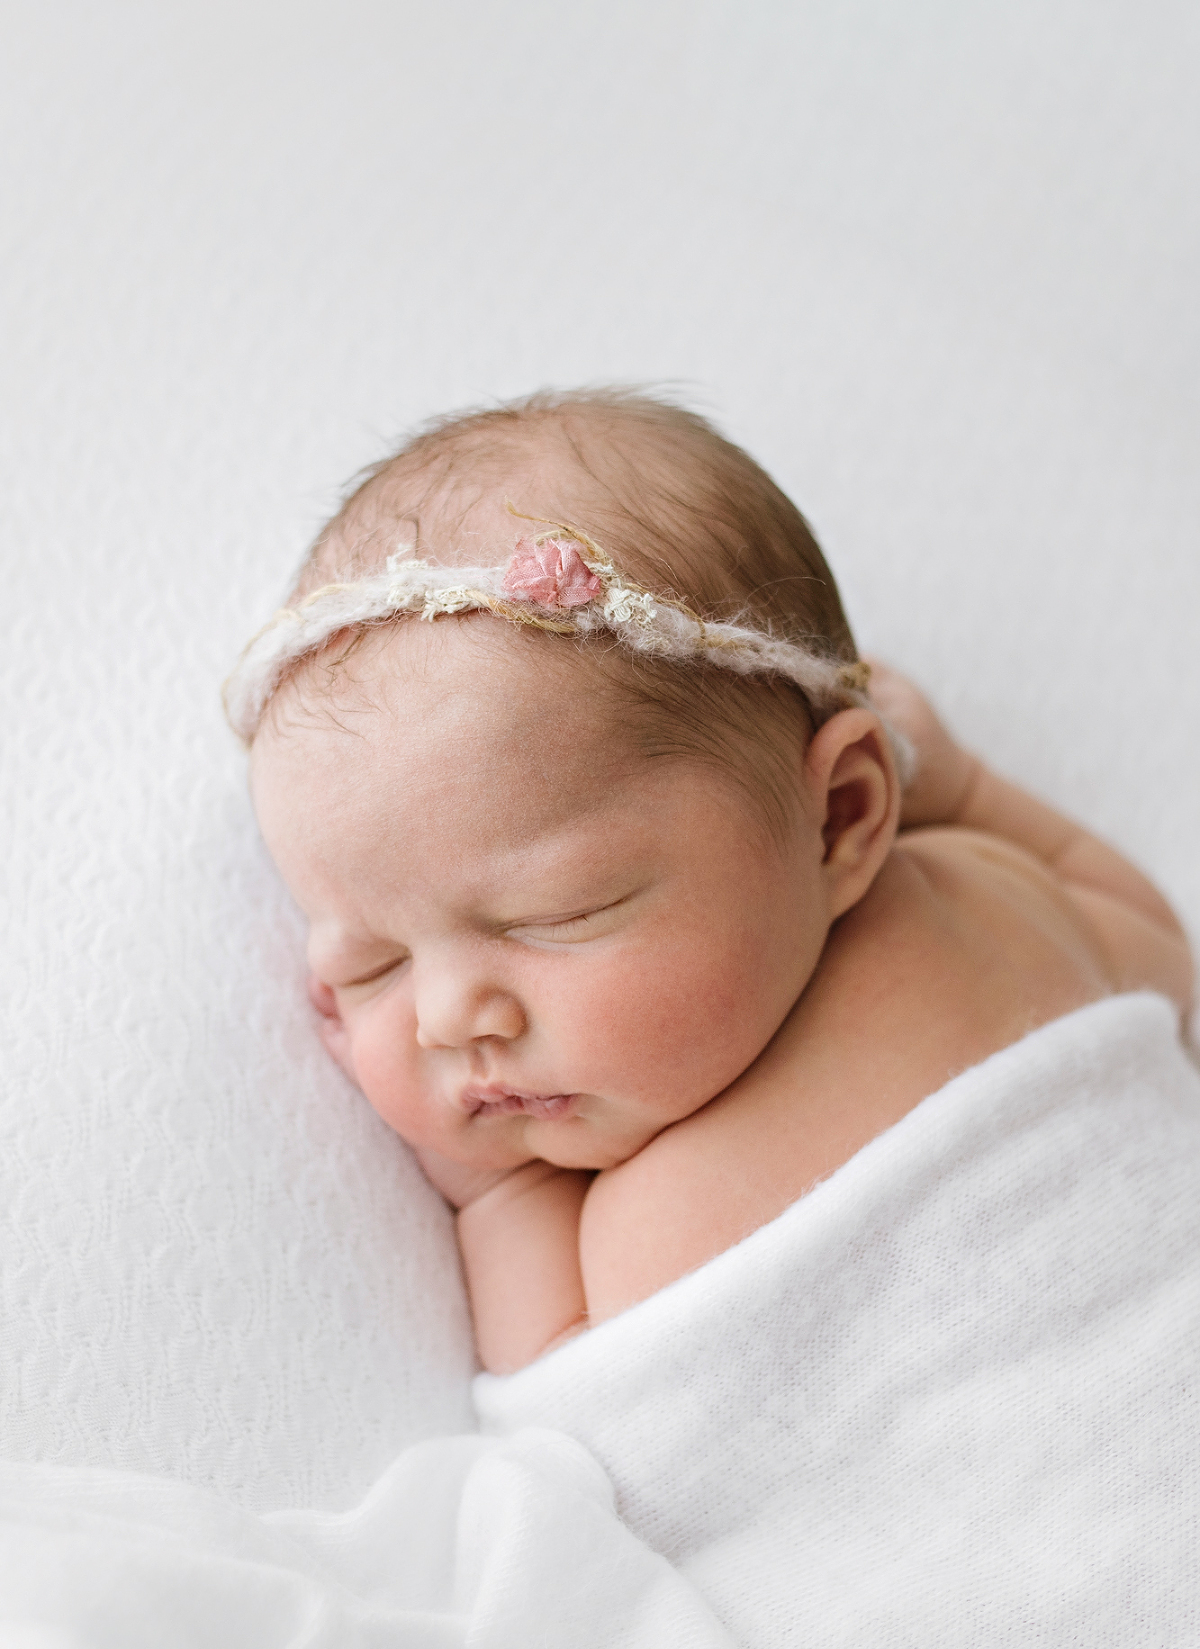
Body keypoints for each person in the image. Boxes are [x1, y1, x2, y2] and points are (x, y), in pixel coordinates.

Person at [228, 390, 1193, 1373]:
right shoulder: (995, 900)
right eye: (370, 964)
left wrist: (497, 1201)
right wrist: (974, 795)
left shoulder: (645, 1239)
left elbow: (565, 1400)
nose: (446, 1019)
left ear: (844, 816)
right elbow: (1150, 936)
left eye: (553, 915)